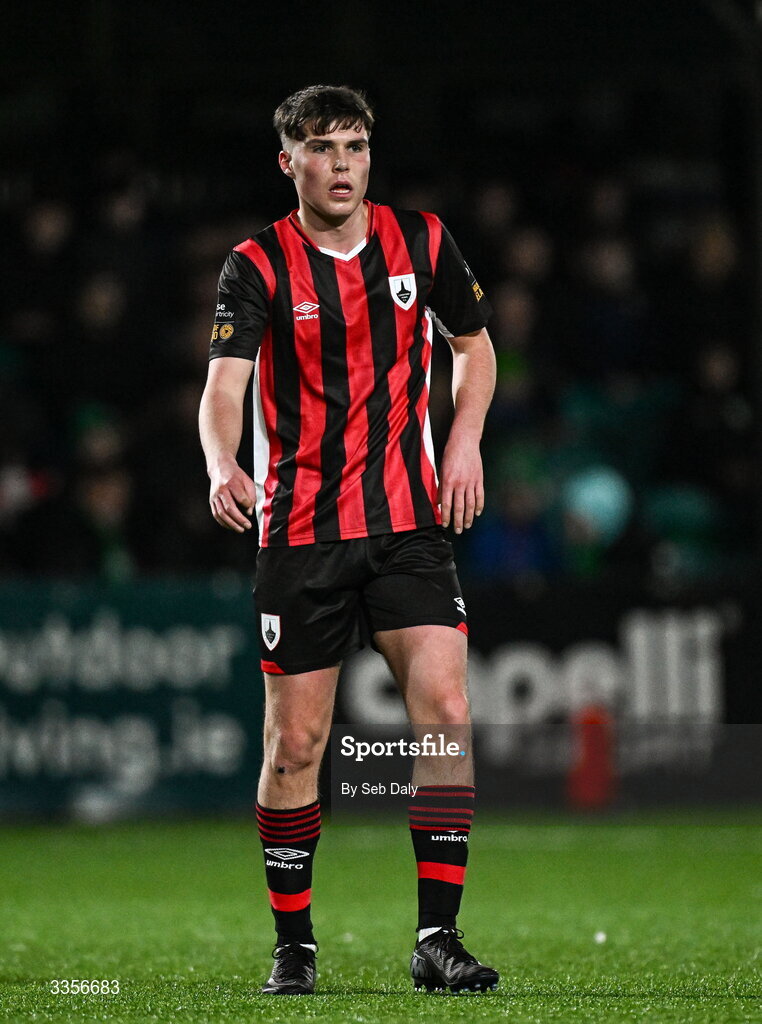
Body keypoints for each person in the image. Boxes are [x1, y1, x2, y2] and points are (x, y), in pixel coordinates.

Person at [198, 84, 498, 996]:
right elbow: (223, 386)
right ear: (287, 161)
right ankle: (295, 944)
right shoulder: (255, 264)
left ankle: (437, 938)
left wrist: (463, 441)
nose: (343, 165)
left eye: (356, 146)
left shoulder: (425, 241)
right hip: (303, 534)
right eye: (323, 148)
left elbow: (475, 344)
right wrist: (221, 464)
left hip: (409, 523)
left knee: (445, 715)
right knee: (297, 748)